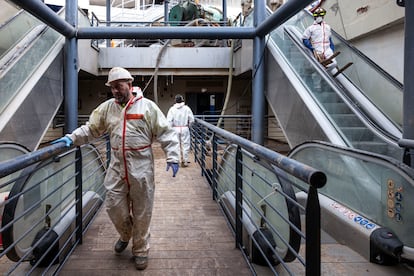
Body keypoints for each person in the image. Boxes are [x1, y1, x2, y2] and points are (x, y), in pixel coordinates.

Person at [52, 67, 180, 270]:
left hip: (141, 166)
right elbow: (91, 128)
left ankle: (140, 250)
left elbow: (166, 132)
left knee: (142, 211)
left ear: (129, 85)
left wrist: (173, 156)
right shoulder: (107, 108)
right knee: (113, 206)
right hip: (117, 166)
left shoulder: (147, 107)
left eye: (118, 87)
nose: (115, 91)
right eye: (112, 88)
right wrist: (72, 137)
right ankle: (125, 234)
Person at [166, 94, 195, 167]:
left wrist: (170, 129)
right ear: (182, 100)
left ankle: (177, 161)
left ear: (175, 101)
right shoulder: (187, 108)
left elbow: (169, 121)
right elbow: (192, 120)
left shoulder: (172, 109)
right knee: (185, 145)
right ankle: (184, 161)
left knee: (176, 145)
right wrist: (188, 126)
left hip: (175, 128)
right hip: (185, 128)